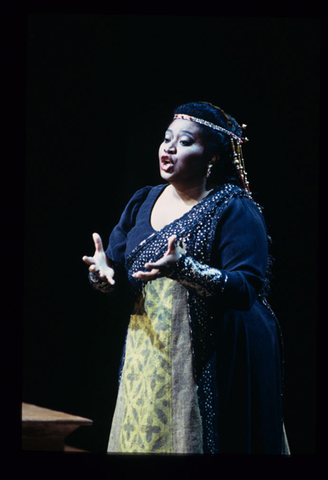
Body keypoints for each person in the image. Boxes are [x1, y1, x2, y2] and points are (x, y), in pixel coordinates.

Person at [82, 101, 290, 454]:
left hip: (209, 356)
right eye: (167, 138)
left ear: (213, 158)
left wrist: (186, 269)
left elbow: (246, 288)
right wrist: (103, 276)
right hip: (146, 355)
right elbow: (117, 274)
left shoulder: (234, 208)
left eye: (186, 141)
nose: (170, 147)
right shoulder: (142, 201)